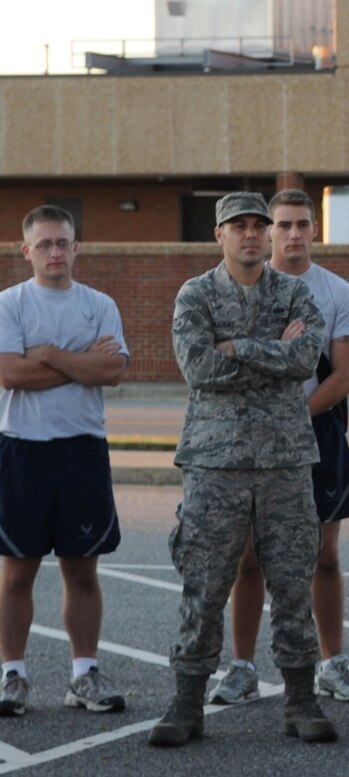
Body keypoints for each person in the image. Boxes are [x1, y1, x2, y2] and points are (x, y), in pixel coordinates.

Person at [149, 192, 335, 747]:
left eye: (259, 226)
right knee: (203, 586)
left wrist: (238, 348)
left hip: (284, 462)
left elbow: (306, 361)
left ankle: (301, 701)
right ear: (219, 235)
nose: (251, 235)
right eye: (239, 226)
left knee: (293, 585)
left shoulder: (296, 292)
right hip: (215, 464)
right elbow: (200, 368)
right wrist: (267, 352)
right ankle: (186, 704)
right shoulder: (196, 295)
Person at [208, 189, 349, 707]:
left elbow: (343, 375)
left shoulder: (337, 291)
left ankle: (332, 663)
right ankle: (242, 668)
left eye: (302, 224)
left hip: (314, 433)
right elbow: (220, 362)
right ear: (268, 231)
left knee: (323, 554)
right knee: (248, 559)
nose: (293, 233)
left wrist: (291, 415)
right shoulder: (236, 287)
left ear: (315, 230)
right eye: (283, 225)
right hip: (248, 435)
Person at [0, 205, 129, 718]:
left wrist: (48, 353)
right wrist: (80, 363)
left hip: (82, 450)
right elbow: (11, 375)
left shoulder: (99, 304)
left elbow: (114, 370)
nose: (56, 252)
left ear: (77, 248)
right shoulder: (9, 304)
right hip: (21, 449)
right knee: (16, 574)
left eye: (64, 243)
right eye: (45, 243)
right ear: (26, 250)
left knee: (81, 571)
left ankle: (84, 675)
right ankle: (12, 676)